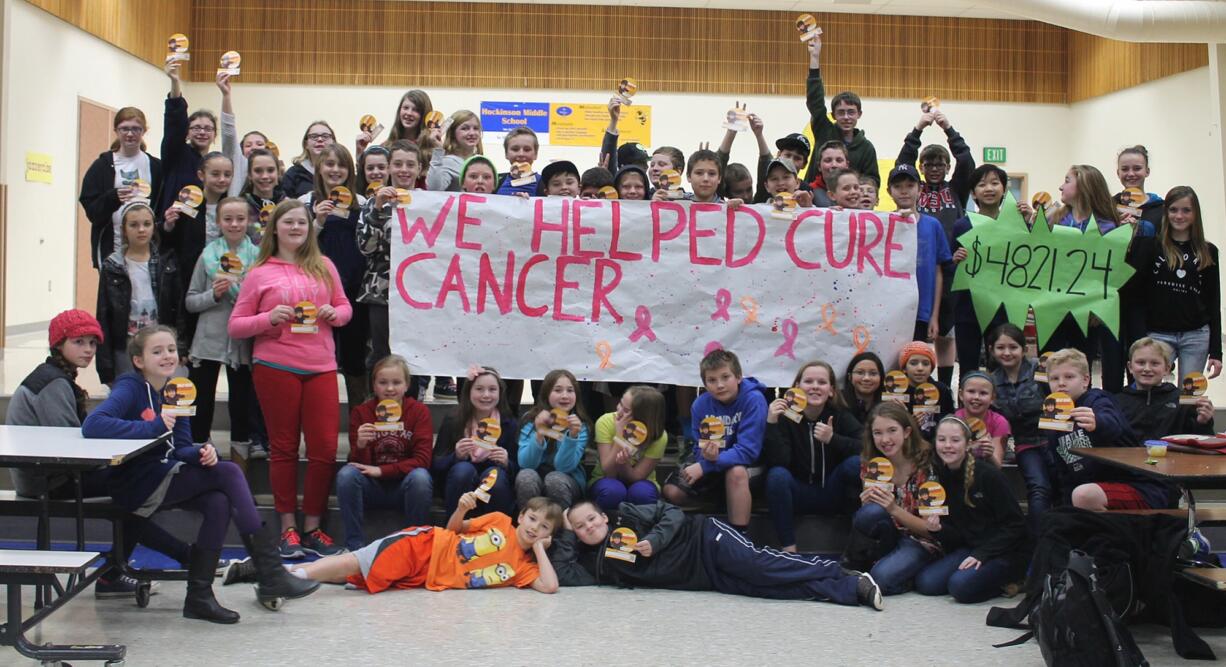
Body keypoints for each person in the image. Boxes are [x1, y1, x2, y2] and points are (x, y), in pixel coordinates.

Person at [82, 325, 319, 623]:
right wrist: (152, 426)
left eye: (170, 349)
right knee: (231, 473)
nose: (167, 356)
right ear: (139, 360)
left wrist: (201, 453)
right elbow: (93, 426)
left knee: (218, 501)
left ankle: (199, 596)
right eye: (157, 351)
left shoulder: (177, 390)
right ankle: (270, 571)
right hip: (134, 482)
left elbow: (180, 447)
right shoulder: (129, 386)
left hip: (163, 473)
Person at [6, 310, 193, 597]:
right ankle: (157, 561)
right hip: (46, 480)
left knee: (142, 480)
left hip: (49, 473)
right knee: (142, 481)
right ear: (58, 345)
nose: (88, 350)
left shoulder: (58, 377)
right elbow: (73, 447)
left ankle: (128, 568)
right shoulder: (52, 383)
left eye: (92, 343)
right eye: (79, 342)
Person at [229, 199, 353, 558]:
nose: (296, 228)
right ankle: (288, 528)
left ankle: (313, 526)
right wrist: (267, 318)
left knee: (325, 448)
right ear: (275, 229)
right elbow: (236, 326)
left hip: (321, 367)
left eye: (302, 222)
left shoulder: (325, 266)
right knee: (283, 448)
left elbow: (345, 308)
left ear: (310, 228)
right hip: (275, 366)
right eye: (289, 223)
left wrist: (335, 313)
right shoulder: (259, 272)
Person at [553, 499, 882, 610]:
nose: (589, 527)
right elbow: (562, 575)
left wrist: (655, 539)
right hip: (704, 577)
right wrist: (565, 530)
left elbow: (673, 513)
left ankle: (837, 568)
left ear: (604, 517)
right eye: (580, 527)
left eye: (592, 519)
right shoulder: (595, 564)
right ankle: (851, 589)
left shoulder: (627, 515)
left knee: (762, 566)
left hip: (706, 538)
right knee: (769, 589)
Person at [290, 495, 562, 595]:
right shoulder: (501, 521)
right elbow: (455, 528)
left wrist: (539, 550)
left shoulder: (523, 568)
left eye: (544, 528)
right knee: (356, 561)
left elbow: (550, 587)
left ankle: (290, 572)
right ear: (522, 515)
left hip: (426, 577)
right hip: (427, 545)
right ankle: (292, 577)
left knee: (358, 574)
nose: (534, 528)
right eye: (532, 519)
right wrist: (460, 510)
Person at [1046, 165, 1143, 393]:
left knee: (1082, 365)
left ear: (1084, 186)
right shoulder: (1054, 220)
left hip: (1088, 312)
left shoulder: (1108, 227)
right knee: (1050, 362)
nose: (1061, 186)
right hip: (1053, 309)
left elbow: (1111, 274)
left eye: (1067, 180)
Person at [915, 417, 1028, 603]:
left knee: (960, 587)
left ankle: (1014, 580)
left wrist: (982, 554)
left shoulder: (988, 475)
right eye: (942, 440)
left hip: (1005, 550)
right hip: (970, 546)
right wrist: (938, 529)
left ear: (968, 444)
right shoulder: (939, 478)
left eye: (955, 440)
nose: (948, 445)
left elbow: (1016, 526)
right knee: (927, 583)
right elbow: (958, 535)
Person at [1043, 348, 1168, 513]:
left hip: (1135, 486)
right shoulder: (1052, 419)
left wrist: (1098, 422)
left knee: (1083, 495)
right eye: (1054, 378)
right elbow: (1062, 472)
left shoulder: (1097, 400)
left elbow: (1114, 424)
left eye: (1069, 377)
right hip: (1085, 492)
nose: (1061, 383)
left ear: (1085, 380)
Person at [663, 349, 767, 535]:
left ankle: (739, 537)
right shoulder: (700, 405)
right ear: (704, 384)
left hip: (748, 464)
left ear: (738, 377)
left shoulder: (754, 400)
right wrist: (705, 457)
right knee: (672, 491)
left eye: (725, 377)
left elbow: (748, 451)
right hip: (712, 462)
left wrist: (707, 465)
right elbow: (697, 447)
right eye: (712, 380)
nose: (719, 385)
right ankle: (719, 502)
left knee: (735, 472)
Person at [184, 197, 261, 447]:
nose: (235, 224)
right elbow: (191, 301)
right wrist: (214, 295)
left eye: (240, 218)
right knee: (201, 405)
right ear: (218, 222)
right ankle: (198, 460)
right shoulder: (207, 256)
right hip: (208, 343)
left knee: (241, 407)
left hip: (242, 343)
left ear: (249, 220)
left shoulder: (258, 259)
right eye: (228, 219)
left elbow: (262, 301)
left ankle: (240, 468)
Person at [764, 361, 863, 552]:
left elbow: (866, 448)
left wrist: (833, 439)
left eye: (822, 382)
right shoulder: (785, 417)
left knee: (856, 463)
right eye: (808, 381)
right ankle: (788, 549)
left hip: (833, 491)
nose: (815, 386)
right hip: (798, 493)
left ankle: (857, 544)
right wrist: (772, 423)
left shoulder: (840, 415)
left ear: (832, 390)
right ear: (796, 388)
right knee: (777, 475)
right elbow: (779, 462)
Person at [338, 355, 434, 551]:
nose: (390, 389)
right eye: (383, 382)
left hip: (405, 485)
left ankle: (415, 546)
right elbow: (355, 463)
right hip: (371, 487)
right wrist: (361, 445)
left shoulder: (418, 412)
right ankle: (354, 547)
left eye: (396, 382)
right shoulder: (361, 412)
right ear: (374, 385)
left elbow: (423, 460)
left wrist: (382, 471)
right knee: (346, 475)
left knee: (421, 478)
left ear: (407, 385)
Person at [1127, 186, 1222, 381]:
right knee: (1150, 392)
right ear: (1166, 212)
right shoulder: (1152, 246)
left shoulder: (1208, 251)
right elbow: (1136, 294)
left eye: (1186, 210)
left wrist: (1216, 352)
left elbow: (1213, 301)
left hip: (1196, 335)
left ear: (1195, 213)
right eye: (1173, 210)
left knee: (1188, 399)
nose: (1179, 216)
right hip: (1158, 334)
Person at [303, 142, 370, 408]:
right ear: (319, 168)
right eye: (329, 164)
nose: (335, 170)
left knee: (355, 359)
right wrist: (317, 221)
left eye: (341, 165)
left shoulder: (362, 202)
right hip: (316, 292)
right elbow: (296, 246)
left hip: (353, 291)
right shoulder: (305, 202)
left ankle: (358, 428)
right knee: (318, 355)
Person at [850, 402, 941, 595]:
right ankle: (851, 566)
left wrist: (893, 509)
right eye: (878, 433)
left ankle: (910, 574)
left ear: (907, 432)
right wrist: (867, 504)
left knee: (881, 579)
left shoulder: (927, 464)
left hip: (921, 542)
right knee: (868, 513)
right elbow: (870, 517)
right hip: (890, 536)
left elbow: (930, 531)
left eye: (892, 431)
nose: (885, 439)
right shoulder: (872, 464)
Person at [96, 202, 182, 384]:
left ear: (154, 227)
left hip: (160, 343)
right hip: (126, 345)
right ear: (124, 229)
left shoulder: (167, 261)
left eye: (147, 224)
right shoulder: (112, 266)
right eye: (134, 225)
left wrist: (181, 347)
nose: (141, 230)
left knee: (162, 396)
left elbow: (178, 306)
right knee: (130, 396)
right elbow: (103, 314)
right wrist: (105, 364)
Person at [359, 140, 422, 376]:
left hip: (419, 293)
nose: (403, 169)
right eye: (397, 164)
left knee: (415, 357)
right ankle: (379, 410)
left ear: (419, 168)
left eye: (410, 164)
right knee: (381, 355)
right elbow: (365, 248)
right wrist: (377, 208)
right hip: (381, 293)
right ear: (389, 168)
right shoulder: (371, 204)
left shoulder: (431, 203)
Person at [949, 165, 1013, 375]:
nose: (989, 188)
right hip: (968, 306)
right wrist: (955, 259)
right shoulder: (962, 225)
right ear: (973, 192)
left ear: (1004, 188)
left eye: (995, 183)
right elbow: (951, 265)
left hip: (1003, 306)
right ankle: (965, 405)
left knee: (1002, 363)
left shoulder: (1015, 225)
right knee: (968, 362)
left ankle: (1002, 405)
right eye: (982, 184)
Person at [80, 107, 162, 270]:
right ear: (116, 131)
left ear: (144, 131)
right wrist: (113, 198)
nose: (130, 134)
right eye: (124, 129)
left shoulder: (155, 166)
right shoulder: (102, 166)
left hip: (147, 251)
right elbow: (92, 211)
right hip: (112, 248)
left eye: (135, 129)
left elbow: (160, 206)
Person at [432, 366, 518, 516]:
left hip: (494, 481)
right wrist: (456, 456)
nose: (486, 395)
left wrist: (506, 462)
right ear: (468, 391)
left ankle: (496, 531)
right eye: (479, 389)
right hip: (459, 481)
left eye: (492, 389)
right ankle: (455, 529)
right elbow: (436, 464)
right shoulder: (454, 420)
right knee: (463, 470)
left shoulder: (508, 423)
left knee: (495, 476)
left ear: (500, 393)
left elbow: (518, 468)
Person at [986, 323, 1047, 532]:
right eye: (1000, 347)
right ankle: (1036, 542)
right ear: (992, 350)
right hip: (1025, 445)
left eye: (1013, 347)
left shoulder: (1041, 369)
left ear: (1023, 349)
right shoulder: (991, 382)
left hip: (1055, 439)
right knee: (1037, 487)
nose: (1007, 353)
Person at [803, 30, 879, 188]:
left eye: (851, 112)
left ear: (859, 114)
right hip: (815, 199)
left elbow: (873, 180)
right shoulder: (824, 130)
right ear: (833, 115)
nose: (846, 117)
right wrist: (814, 58)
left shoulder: (866, 148)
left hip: (849, 204)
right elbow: (815, 101)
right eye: (841, 112)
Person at [889, 165, 952, 344]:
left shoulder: (933, 225)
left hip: (922, 311)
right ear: (889, 191)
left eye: (910, 185)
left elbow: (938, 271)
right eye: (898, 186)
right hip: (889, 310)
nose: (904, 191)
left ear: (920, 189)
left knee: (917, 360)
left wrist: (934, 315)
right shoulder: (882, 223)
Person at [1114, 338, 1215, 441]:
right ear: (1130, 367)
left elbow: (1202, 441)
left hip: (1172, 455)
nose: (1147, 369)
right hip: (1130, 456)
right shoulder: (1117, 402)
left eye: (1155, 363)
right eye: (1141, 363)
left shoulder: (1182, 403)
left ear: (1167, 369)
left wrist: (1204, 422)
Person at [516, 369, 590, 509]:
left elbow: (564, 467)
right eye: (558, 390)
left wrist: (572, 437)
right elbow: (526, 464)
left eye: (570, 390)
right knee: (526, 476)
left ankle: (560, 526)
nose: (565, 396)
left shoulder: (580, 426)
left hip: (567, 479)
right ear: (546, 394)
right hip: (536, 474)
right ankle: (528, 523)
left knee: (555, 479)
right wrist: (539, 433)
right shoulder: (531, 420)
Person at [588, 385, 668, 511]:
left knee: (642, 493)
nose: (618, 411)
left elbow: (637, 477)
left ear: (643, 417)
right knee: (612, 491)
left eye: (626, 411)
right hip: (605, 479)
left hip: (640, 482)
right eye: (620, 404)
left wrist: (623, 464)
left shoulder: (659, 436)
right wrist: (620, 436)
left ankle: (642, 525)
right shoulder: (605, 422)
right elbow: (608, 471)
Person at [156, 60, 216, 228]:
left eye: (207, 128)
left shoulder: (216, 163)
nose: (202, 132)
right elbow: (174, 123)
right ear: (187, 132)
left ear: (214, 135)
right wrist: (175, 82)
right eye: (196, 128)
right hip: (175, 233)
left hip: (206, 232)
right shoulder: (177, 154)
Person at [899, 341, 953, 441]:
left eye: (925, 364)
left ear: (931, 368)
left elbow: (950, 418)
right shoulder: (897, 393)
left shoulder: (942, 390)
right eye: (913, 363)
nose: (920, 368)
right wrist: (909, 422)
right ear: (904, 368)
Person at [953, 371, 1009, 466]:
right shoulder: (954, 421)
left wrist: (990, 454)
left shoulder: (999, 422)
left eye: (983, 393)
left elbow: (997, 466)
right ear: (961, 395)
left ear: (992, 398)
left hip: (987, 473)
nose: (976, 397)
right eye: (971, 391)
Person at [426, 110, 483, 192]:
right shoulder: (448, 162)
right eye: (465, 128)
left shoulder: (481, 161)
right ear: (453, 133)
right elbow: (434, 188)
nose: (472, 133)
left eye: (476, 128)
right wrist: (438, 150)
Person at [1114, 145, 1165, 231]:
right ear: (1118, 173)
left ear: (1147, 171)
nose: (1130, 174)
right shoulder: (1109, 206)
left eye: (1137, 168)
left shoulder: (1161, 208)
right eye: (1125, 169)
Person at [281, 121, 337, 198]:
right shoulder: (293, 174)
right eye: (314, 136)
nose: (320, 139)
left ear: (333, 142)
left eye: (325, 136)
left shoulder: (342, 171)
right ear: (306, 144)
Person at [493, 127, 541, 197]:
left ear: (535, 154)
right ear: (506, 154)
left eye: (527, 150)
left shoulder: (546, 184)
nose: (521, 154)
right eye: (515, 149)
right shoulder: (495, 182)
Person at [842, 352, 885, 424]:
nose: (866, 378)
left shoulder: (888, 403)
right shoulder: (839, 402)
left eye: (873, 373)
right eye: (860, 372)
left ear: (881, 377)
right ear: (850, 377)